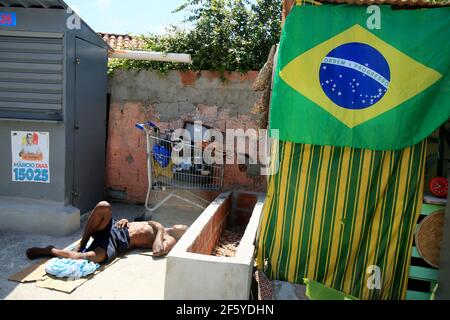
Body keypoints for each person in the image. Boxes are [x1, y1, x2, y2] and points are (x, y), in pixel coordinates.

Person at [26, 201, 188, 264]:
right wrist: (126, 219)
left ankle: (50, 251)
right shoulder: (157, 226)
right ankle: (82, 243)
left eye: (185, 229)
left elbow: (158, 251)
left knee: (90, 258)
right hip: (113, 227)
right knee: (104, 206)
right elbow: (134, 225)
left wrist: (159, 228)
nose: (183, 226)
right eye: (184, 225)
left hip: (117, 243)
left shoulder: (170, 239)